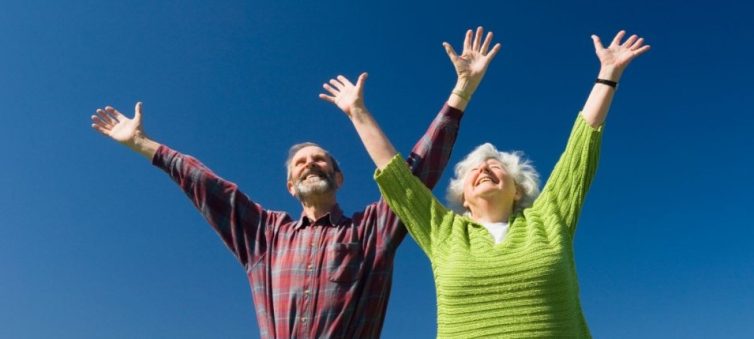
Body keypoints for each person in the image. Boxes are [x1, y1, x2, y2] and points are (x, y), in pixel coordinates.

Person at [90, 27, 500, 338]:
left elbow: (413, 175)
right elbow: (209, 186)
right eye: (301, 162)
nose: (311, 164)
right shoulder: (265, 236)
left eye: (321, 160)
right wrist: (145, 145)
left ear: (338, 177)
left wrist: (460, 94)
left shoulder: (371, 232)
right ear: (290, 185)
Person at [334, 30, 650, 337]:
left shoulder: (548, 219)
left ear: (518, 189)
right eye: (474, 168)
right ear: (463, 196)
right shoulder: (443, 231)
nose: (484, 167)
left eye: (496, 165)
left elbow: (580, 150)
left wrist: (608, 75)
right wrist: (357, 112)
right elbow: (396, 178)